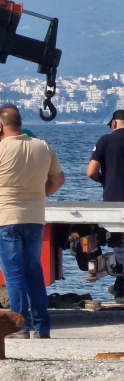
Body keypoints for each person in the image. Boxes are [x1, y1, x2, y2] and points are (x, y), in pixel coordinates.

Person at [0, 105, 65, 339]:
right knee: (33, 271)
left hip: (6, 219)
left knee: (14, 275)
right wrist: (40, 195)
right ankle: (42, 327)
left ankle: (20, 326)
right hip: (34, 218)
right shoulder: (42, 147)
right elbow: (58, 180)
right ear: (20, 123)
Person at [85, 109, 124, 303]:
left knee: (119, 243)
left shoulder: (105, 141)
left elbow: (91, 172)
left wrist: (105, 180)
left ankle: (122, 287)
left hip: (114, 198)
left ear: (114, 124)